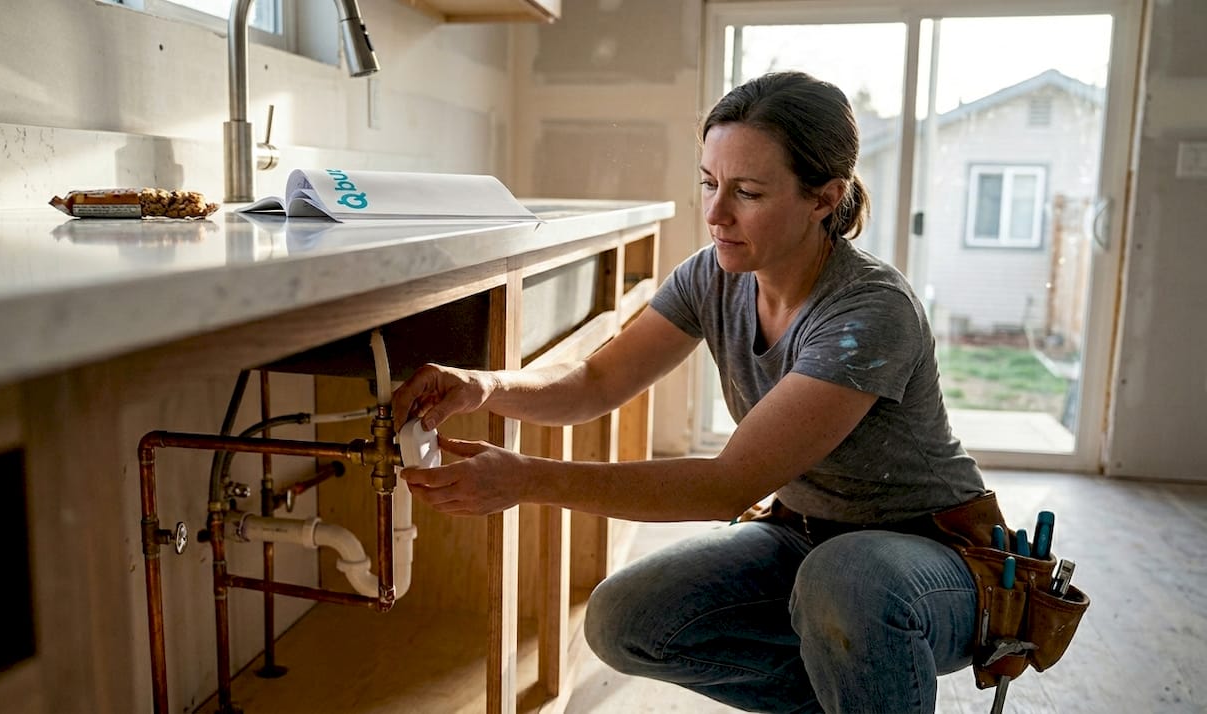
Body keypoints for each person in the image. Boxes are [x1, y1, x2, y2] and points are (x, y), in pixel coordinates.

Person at [391, 71, 986, 713]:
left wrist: (526, 479)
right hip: (808, 536)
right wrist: (483, 386)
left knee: (844, 582)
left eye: (747, 192)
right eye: (709, 182)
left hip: (933, 558)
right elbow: (596, 381)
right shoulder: (714, 275)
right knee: (624, 619)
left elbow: (727, 485)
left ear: (824, 198)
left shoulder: (869, 312)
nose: (715, 213)